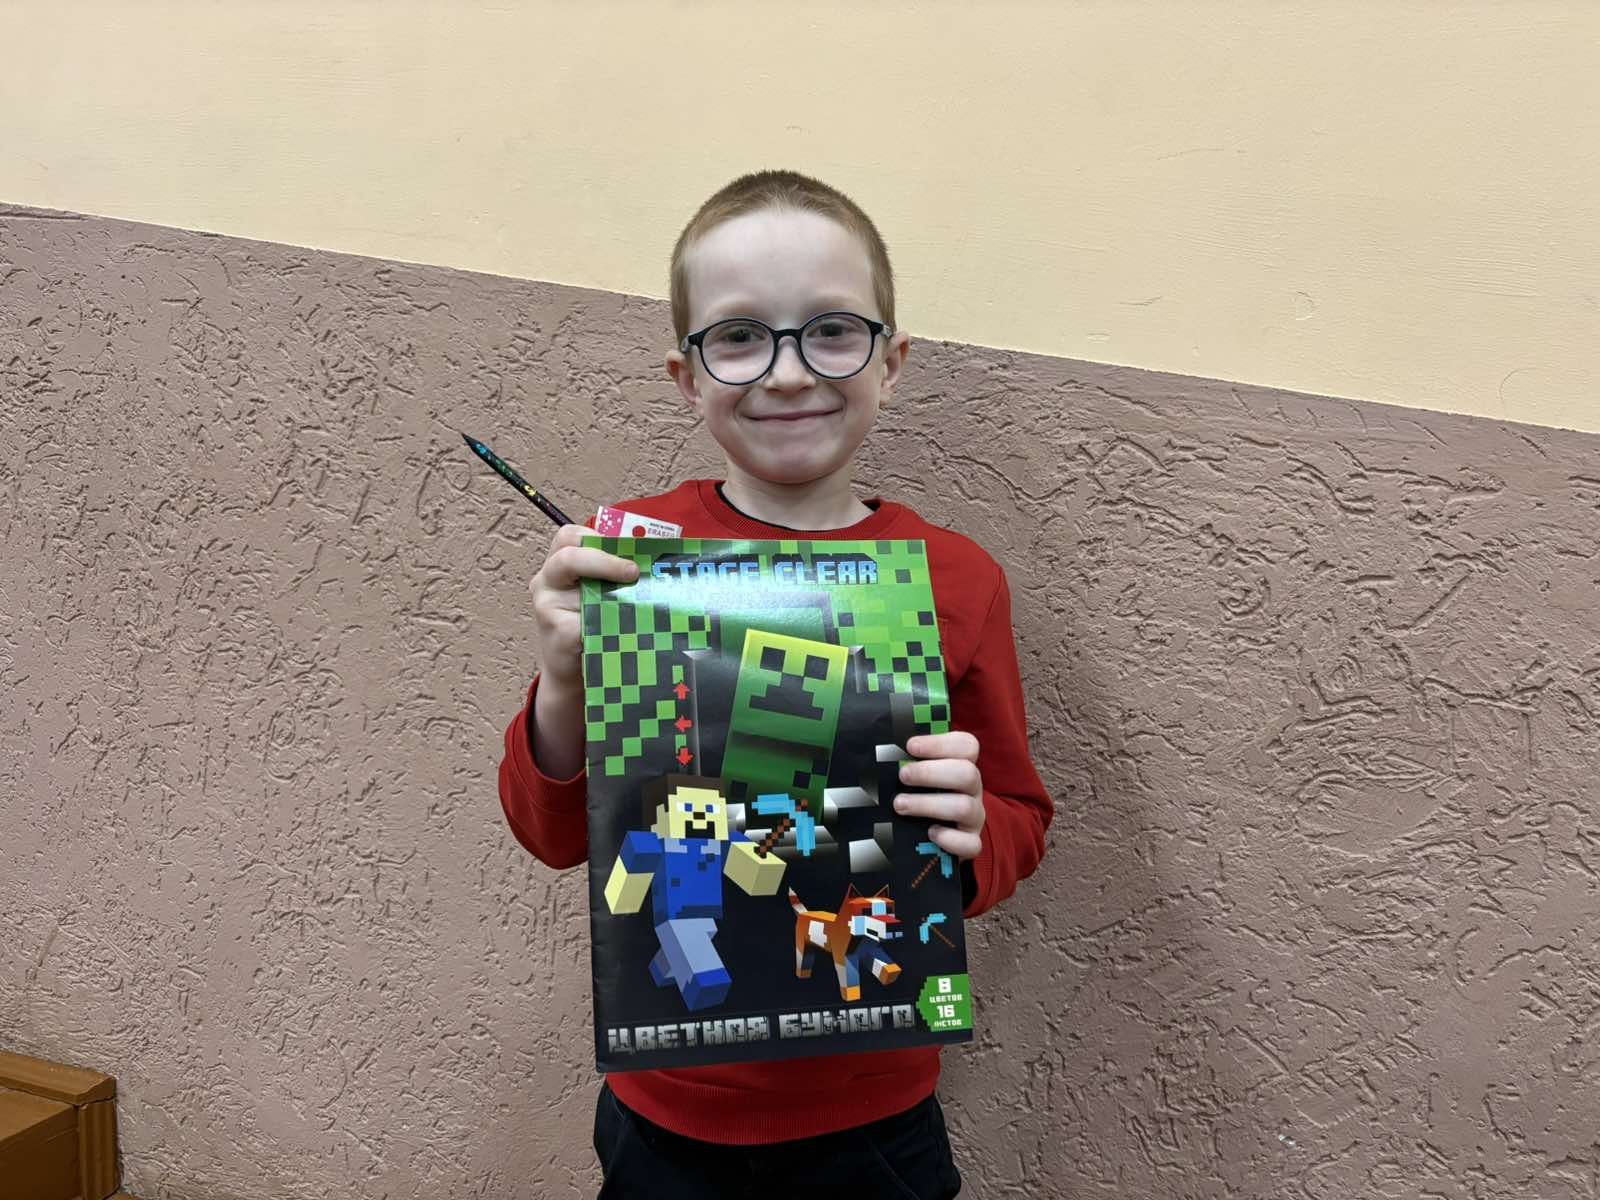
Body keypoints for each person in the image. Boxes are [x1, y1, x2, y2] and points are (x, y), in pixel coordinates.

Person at [498, 169, 1053, 1198]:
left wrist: (973, 832)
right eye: (741, 336)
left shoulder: (956, 579)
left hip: (876, 1118)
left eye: (831, 331)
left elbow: (1021, 815)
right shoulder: (635, 562)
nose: (789, 373)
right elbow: (554, 835)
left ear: (892, 363)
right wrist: (562, 686)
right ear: (687, 376)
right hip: (666, 1111)